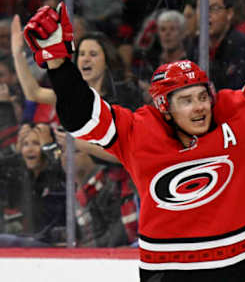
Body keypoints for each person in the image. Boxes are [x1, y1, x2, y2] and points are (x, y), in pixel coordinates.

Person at [21, 0, 245, 280]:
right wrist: (58, 62)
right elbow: (81, 115)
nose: (200, 106)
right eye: (186, 100)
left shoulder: (235, 112)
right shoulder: (140, 130)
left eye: (203, 96)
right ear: (164, 107)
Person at [11, 19, 142, 163]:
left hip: (119, 179)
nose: (85, 59)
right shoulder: (74, 95)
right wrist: (18, 54)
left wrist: (77, 143)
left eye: (93, 54)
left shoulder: (125, 96)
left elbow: (126, 154)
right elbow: (33, 93)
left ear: (107, 61)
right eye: (81, 54)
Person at [56, 131, 138, 247]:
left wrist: (85, 251)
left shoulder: (108, 183)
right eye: (63, 151)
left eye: (75, 151)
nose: (66, 156)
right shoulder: (71, 189)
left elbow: (119, 233)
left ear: (93, 156)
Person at [0, 122, 66, 247]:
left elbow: (62, 169)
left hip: (53, 244)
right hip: (21, 240)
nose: (30, 149)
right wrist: (17, 152)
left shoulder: (58, 175)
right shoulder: (18, 175)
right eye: (25, 144)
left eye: (36, 143)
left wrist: (49, 147)